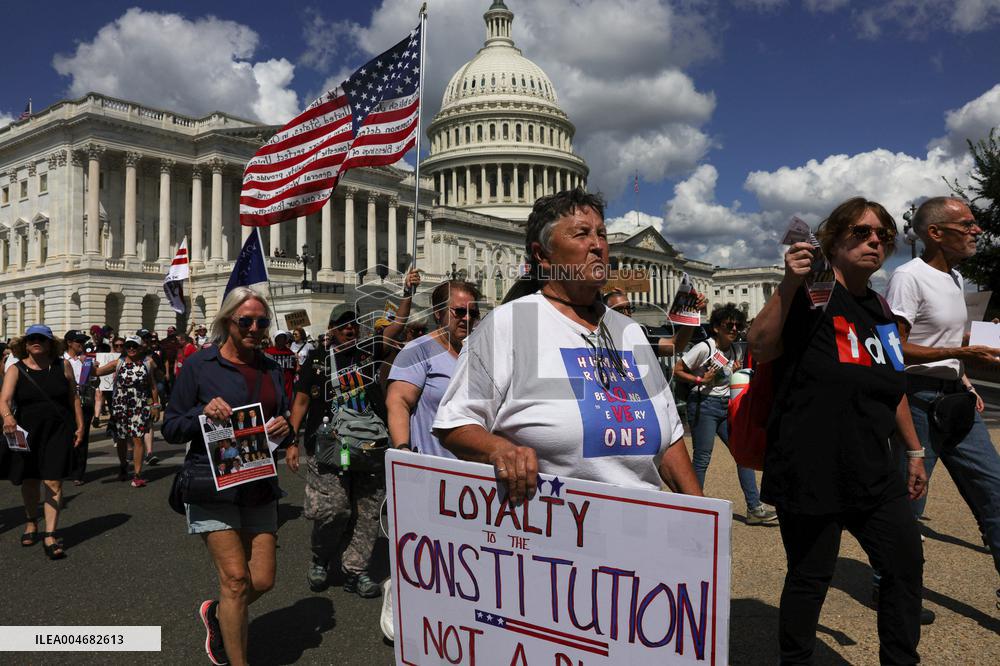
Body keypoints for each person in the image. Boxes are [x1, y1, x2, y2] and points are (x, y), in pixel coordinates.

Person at [433, 188, 703, 505]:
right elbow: (455, 423)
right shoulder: (510, 324)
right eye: (582, 234)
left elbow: (669, 436)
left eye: (601, 234)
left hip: (641, 530)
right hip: (557, 528)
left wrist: (705, 518)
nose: (598, 245)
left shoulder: (629, 330)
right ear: (542, 255)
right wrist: (500, 450)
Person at [748, 197, 927, 664]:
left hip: (873, 470)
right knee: (810, 578)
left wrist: (914, 451)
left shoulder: (883, 308)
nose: (874, 241)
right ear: (832, 239)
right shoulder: (812, 296)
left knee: (905, 567)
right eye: (861, 232)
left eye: (884, 236)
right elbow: (760, 347)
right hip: (811, 466)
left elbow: (893, 386)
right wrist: (790, 282)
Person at [162, 286, 293, 666]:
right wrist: (203, 412)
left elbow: (281, 419)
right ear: (227, 321)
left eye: (262, 321)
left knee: (262, 580)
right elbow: (171, 426)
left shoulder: (270, 368)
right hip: (212, 483)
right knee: (236, 579)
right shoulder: (201, 366)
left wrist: (286, 428)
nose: (255, 328)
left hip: (258, 482)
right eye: (246, 321)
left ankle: (218, 613)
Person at [883, 196, 1000, 608]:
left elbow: (941, 342)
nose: (976, 230)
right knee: (910, 503)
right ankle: (894, 591)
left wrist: (964, 373)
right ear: (935, 233)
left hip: (954, 399)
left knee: (995, 491)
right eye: (967, 223)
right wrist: (959, 355)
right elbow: (893, 348)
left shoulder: (955, 277)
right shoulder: (907, 277)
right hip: (916, 401)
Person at [288, 303, 394, 599]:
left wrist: (408, 292)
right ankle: (321, 557)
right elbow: (300, 402)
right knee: (334, 508)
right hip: (330, 446)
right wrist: (291, 442)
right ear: (332, 330)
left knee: (367, 511)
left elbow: (397, 328)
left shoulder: (368, 354)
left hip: (370, 446)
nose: (349, 328)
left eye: (353, 324)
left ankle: (355, 571)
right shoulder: (318, 360)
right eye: (343, 324)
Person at [673, 304, 778, 524]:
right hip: (704, 404)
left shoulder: (735, 350)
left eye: (737, 325)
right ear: (716, 327)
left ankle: (754, 508)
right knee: (702, 458)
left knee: (743, 454)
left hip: (724, 405)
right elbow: (678, 370)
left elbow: (729, 377)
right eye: (728, 325)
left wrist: (736, 371)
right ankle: (693, 510)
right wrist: (700, 379)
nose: (733, 329)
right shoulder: (704, 347)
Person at [0, 325, 84, 560]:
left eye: (41, 339)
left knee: (54, 480)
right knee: (30, 480)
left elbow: (73, 396)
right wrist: (8, 417)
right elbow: (4, 400)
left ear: (50, 344)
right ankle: (30, 521)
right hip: (26, 432)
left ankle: (50, 534)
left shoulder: (62, 365)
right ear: (26, 344)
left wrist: (81, 425)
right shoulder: (16, 369)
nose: (36, 342)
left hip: (58, 430)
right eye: (32, 339)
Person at [94, 336, 161, 486]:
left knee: (138, 438)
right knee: (122, 438)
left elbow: (153, 386)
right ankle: (123, 465)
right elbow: (97, 372)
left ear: (140, 347)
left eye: (134, 346)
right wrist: (90, 365)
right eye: (128, 345)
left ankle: (137, 474)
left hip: (139, 404)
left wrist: (155, 405)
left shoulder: (147, 363)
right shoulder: (119, 362)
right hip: (120, 405)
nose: (131, 348)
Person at [603, 288, 701, 357]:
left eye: (628, 309)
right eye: (619, 310)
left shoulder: (638, 334)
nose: (626, 314)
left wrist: (691, 315)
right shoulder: (598, 335)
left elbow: (674, 346)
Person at [63, 329, 97, 486]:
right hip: (66, 403)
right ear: (69, 343)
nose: (81, 345)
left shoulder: (87, 361)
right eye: (78, 342)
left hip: (84, 402)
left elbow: (94, 381)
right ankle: (66, 468)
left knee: (82, 437)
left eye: (83, 342)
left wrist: (92, 369)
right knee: (66, 436)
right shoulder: (60, 360)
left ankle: (78, 473)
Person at [263, 331, 297, 401]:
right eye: (279, 338)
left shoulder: (290, 353)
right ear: (275, 339)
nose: (281, 340)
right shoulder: (268, 353)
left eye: (283, 338)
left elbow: (293, 370)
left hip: (288, 386)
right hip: (274, 385)